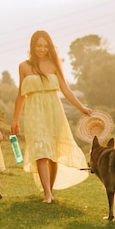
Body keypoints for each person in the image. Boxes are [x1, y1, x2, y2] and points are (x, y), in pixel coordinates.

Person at [11, 30, 92, 203]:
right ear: (32, 46)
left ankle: (50, 190)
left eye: (45, 46)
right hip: (33, 112)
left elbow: (66, 89)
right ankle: (47, 194)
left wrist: (82, 108)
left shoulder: (54, 64)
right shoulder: (23, 67)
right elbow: (21, 95)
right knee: (41, 150)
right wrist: (15, 119)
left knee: (53, 153)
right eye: (39, 46)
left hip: (53, 110)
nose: (42, 49)